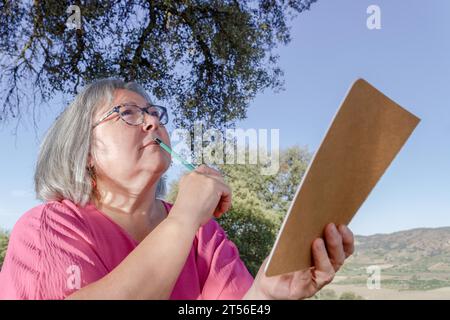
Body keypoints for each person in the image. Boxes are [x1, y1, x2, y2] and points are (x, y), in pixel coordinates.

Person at [0, 78, 354, 300]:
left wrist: (266, 294)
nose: (153, 121)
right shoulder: (48, 227)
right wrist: (184, 217)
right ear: (86, 151)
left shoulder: (205, 235)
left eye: (154, 113)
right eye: (128, 113)